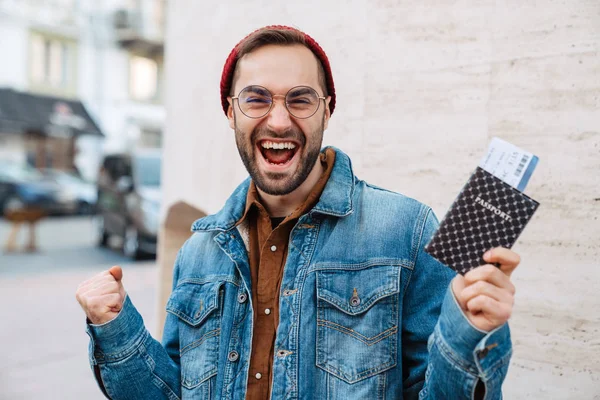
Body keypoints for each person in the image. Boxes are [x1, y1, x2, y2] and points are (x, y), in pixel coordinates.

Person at [76, 25, 520, 400]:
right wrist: (115, 328)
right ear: (230, 112)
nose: (279, 121)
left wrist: (468, 334)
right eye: (256, 99)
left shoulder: (406, 228)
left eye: (301, 99)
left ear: (328, 108)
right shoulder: (199, 251)